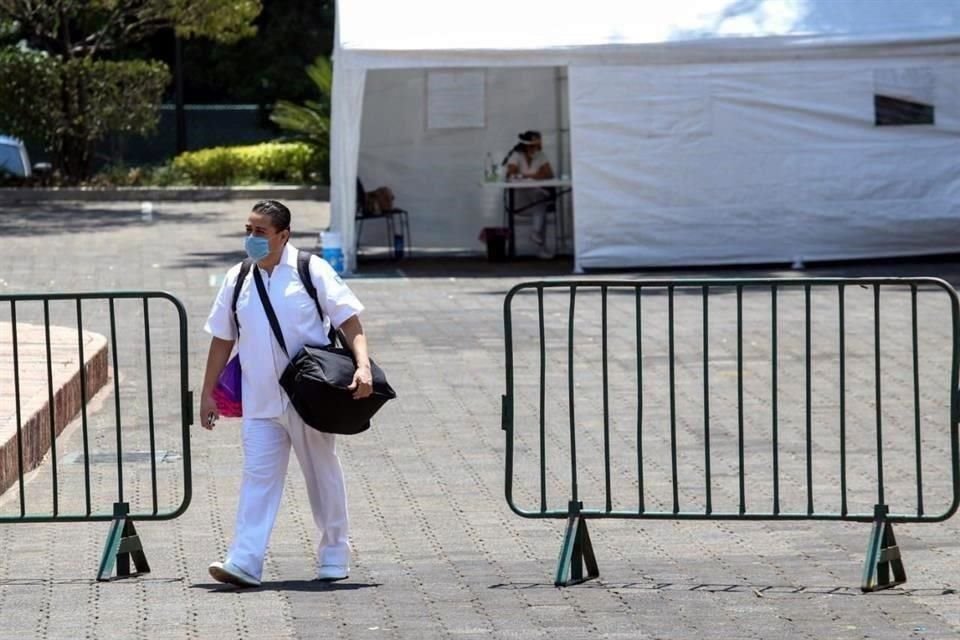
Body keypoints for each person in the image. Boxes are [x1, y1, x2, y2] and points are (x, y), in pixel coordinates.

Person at [199, 199, 373, 588]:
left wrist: (362, 365)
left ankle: (333, 554)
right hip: (260, 401)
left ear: (283, 235)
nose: (252, 238)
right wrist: (207, 393)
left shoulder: (311, 270)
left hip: (309, 396)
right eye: (248, 230)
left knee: (321, 475)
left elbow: (348, 319)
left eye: (260, 232)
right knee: (257, 478)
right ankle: (244, 560)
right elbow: (222, 339)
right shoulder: (238, 277)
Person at [504, 130, 555, 259]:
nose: (536, 148)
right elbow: (511, 174)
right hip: (519, 199)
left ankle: (537, 236)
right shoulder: (516, 155)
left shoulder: (540, 155)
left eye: (538, 145)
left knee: (539, 201)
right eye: (533, 145)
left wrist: (525, 176)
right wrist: (534, 176)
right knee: (541, 201)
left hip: (535, 196)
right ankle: (537, 237)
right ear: (526, 145)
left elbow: (548, 174)